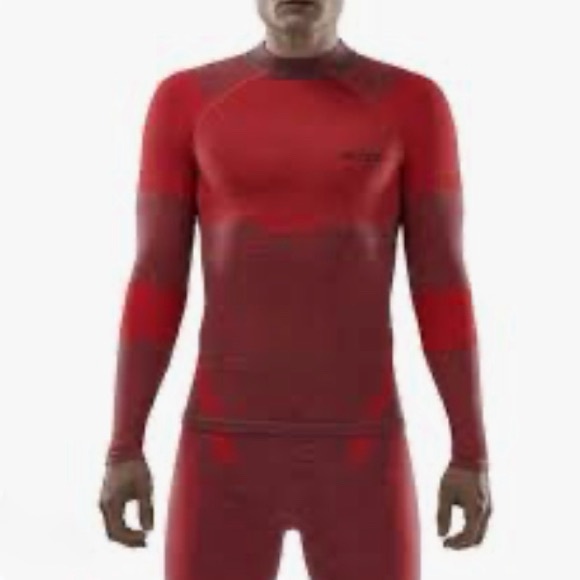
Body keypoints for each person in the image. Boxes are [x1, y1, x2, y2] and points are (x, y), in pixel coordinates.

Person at [98, 0, 493, 578]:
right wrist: (124, 445)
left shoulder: (412, 104)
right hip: (222, 451)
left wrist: (470, 452)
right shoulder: (187, 101)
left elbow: (441, 286)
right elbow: (156, 280)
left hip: (361, 452)